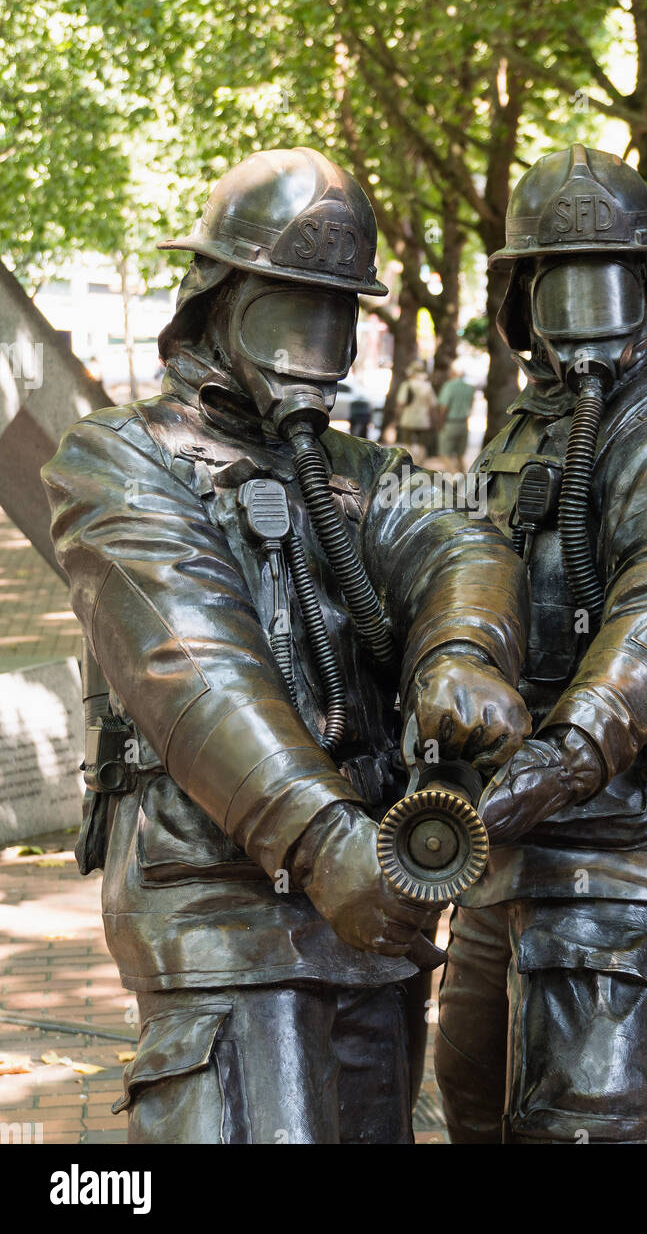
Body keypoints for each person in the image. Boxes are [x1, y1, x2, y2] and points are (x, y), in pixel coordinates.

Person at [42, 147, 530, 1145]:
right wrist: (320, 839)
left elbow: (459, 538)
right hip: (221, 912)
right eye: (290, 311)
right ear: (218, 301)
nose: (316, 343)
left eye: (335, 316)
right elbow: (191, 662)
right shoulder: (117, 462)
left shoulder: (361, 472)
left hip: (371, 916)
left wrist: (461, 647)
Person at [434, 144, 647, 1145]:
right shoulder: (520, 429)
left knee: (579, 1126)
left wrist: (568, 751)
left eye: (601, 282)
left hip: (622, 836)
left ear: (646, 288)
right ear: (520, 294)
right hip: (511, 835)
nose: (578, 312)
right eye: (554, 283)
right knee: (476, 1095)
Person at [437, 363, 476, 469]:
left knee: (444, 455)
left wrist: (440, 423)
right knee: (460, 456)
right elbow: (471, 405)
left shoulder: (449, 386)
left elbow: (444, 407)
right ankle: (465, 480)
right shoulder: (470, 388)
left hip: (450, 423)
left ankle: (455, 476)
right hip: (463, 424)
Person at [395, 360, 437, 459]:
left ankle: (411, 462)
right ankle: (420, 462)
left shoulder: (406, 385)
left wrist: (397, 418)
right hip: (423, 420)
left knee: (407, 443)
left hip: (408, 418)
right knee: (422, 445)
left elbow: (400, 403)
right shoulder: (427, 386)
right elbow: (433, 405)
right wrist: (434, 420)